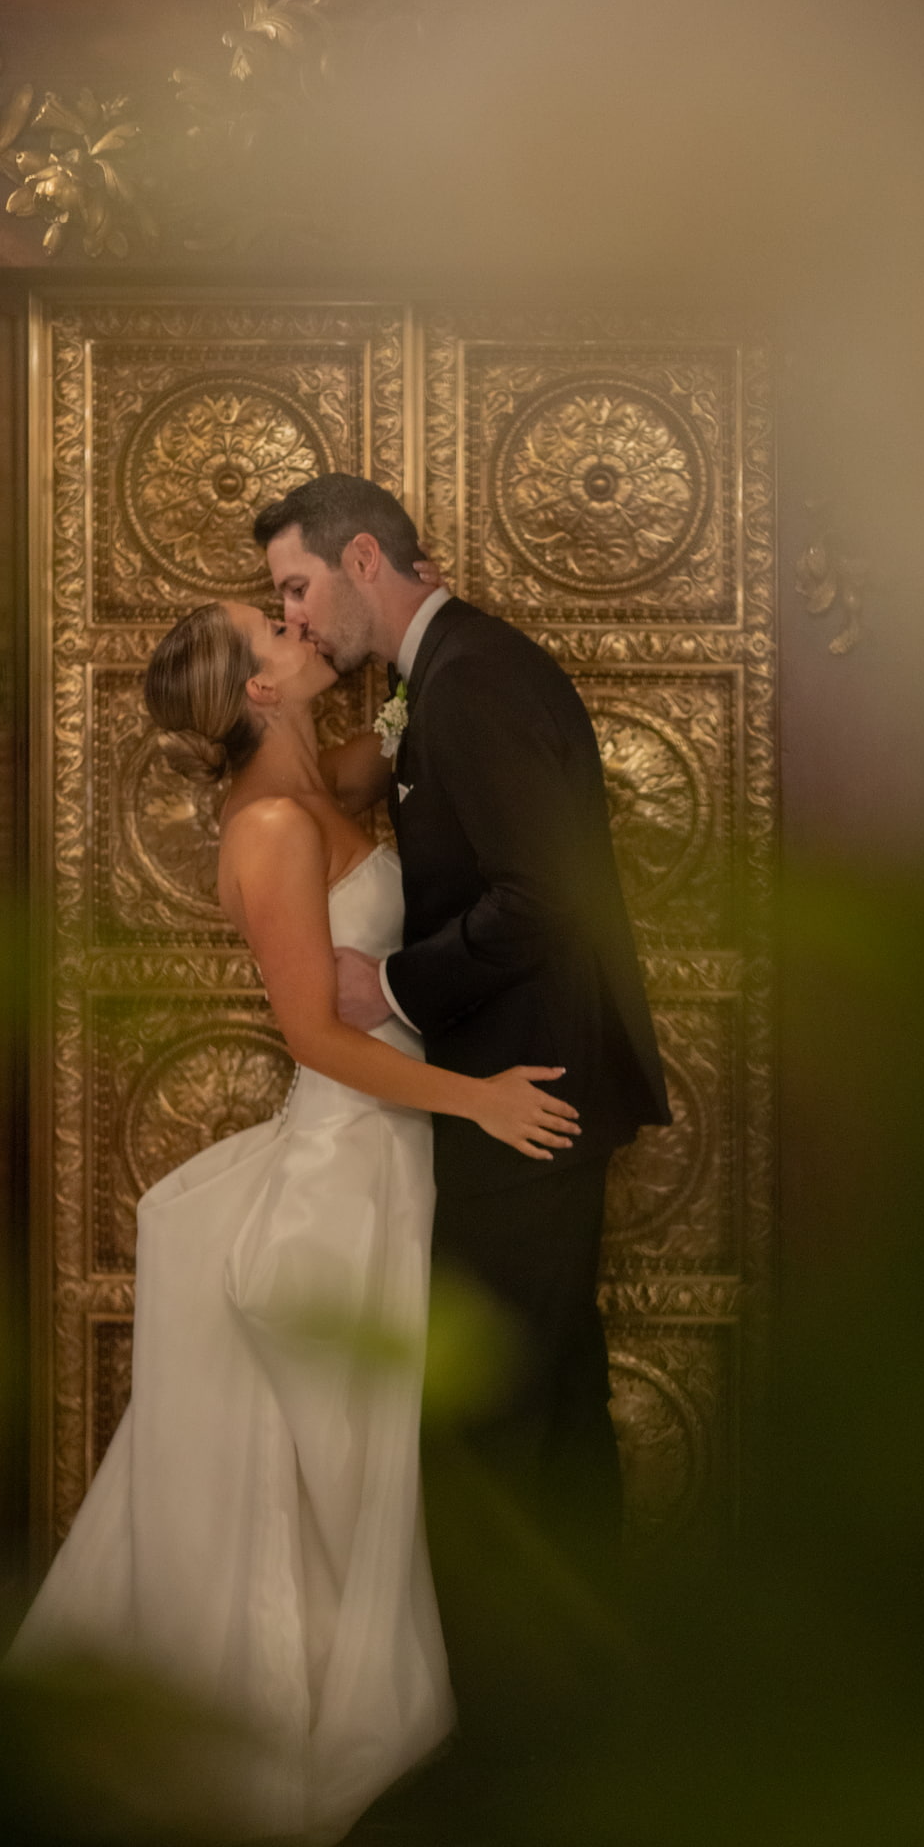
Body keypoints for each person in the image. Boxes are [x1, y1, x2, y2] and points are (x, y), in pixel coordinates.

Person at [8, 594, 580, 1847]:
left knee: (378, 1473)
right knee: (341, 1476)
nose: (291, 625)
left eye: (286, 609)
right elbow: (315, 1033)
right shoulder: (267, 827)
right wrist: (473, 1099)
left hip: (397, 1161)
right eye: (271, 633)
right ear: (255, 691)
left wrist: (405, 628)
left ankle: (423, 1729)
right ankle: (309, 1740)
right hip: (344, 1172)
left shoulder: (327, 777)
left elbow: (410, 719)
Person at [254, 473, 671, 1765]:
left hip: (521, 1097)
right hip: (522, 1090)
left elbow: (540, 894)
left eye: (299, 588)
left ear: (364, 557)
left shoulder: (475, 679)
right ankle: (580, 1734)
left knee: (497, 1428)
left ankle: (500, 1758)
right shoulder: (443, 678)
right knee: (550, 1410)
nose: (298, 617)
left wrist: (394, 981)